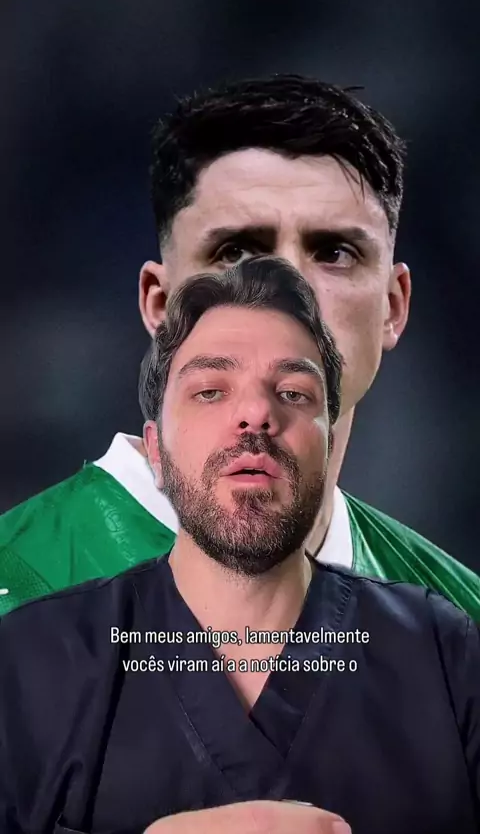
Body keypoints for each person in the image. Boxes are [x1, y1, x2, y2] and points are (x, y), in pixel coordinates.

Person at [1, 257, 479, 834]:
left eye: (293, 392)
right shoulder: (29, 663)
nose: (256, 414)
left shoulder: (447, 657)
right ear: (155, 450)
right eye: (209, 391)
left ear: (331, 448)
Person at [0, 74, 478, 619]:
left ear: (393, 306)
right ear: (160, 305)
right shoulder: (21, 589)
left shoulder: (460, 624)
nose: (290, 289)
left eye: (334, 253)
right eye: (237, 252)